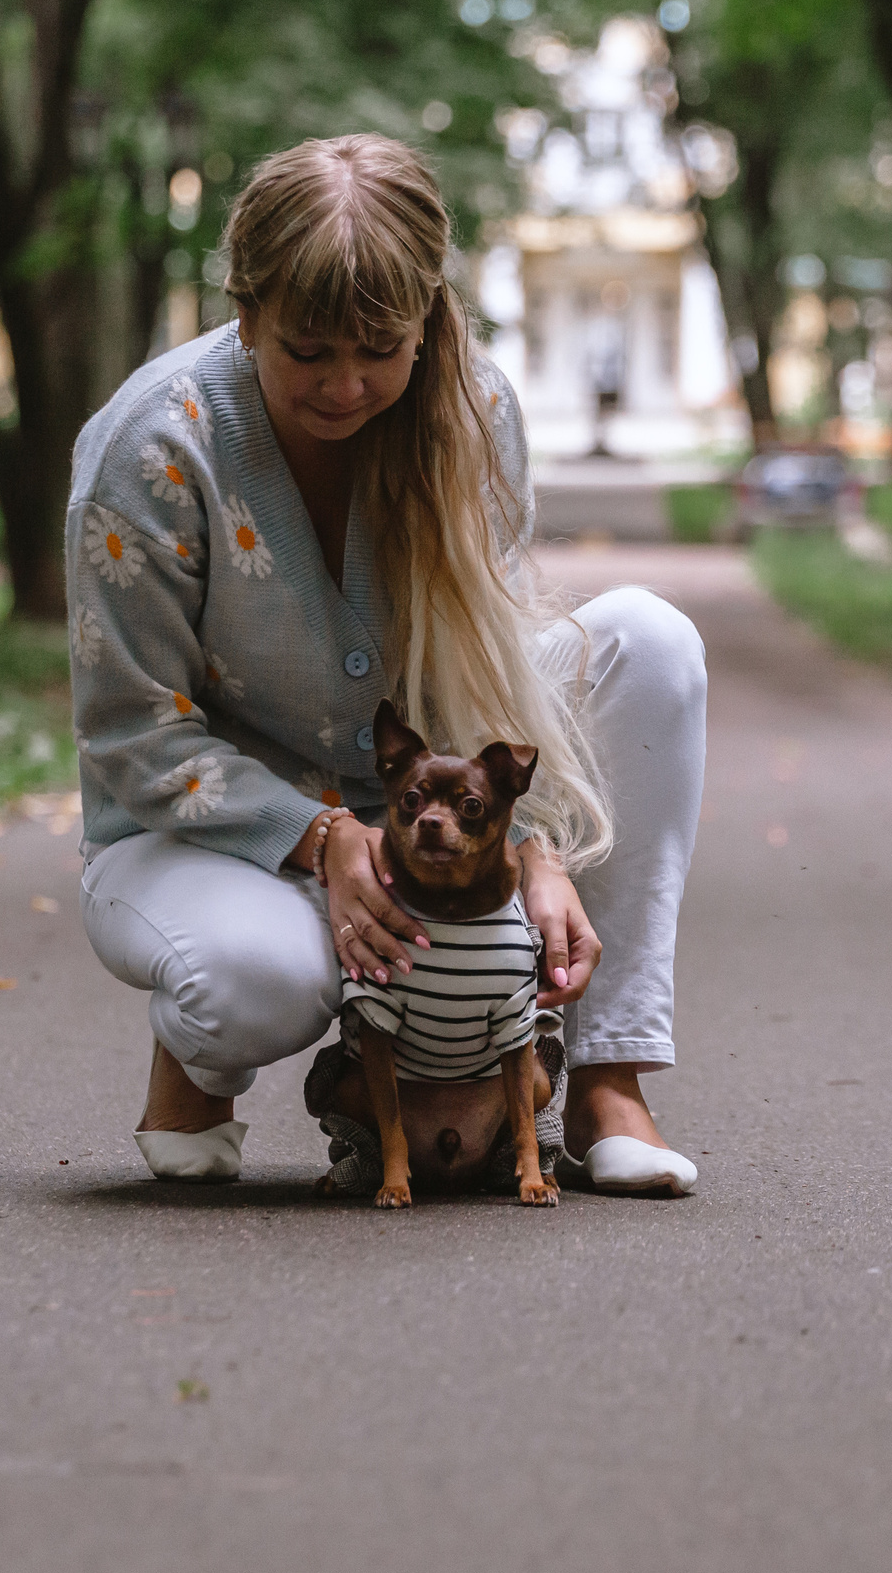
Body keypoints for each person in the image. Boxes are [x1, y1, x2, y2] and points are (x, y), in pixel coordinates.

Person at [66, 133, 706, 1196]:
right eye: (307, 350)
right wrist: (320, 840)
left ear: (427, 321)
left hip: (424, 801)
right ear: (247, 312)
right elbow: (135, 735)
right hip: (203, 833)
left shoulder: (473, 411)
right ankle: (198, 1053)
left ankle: (607, 1083)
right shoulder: (152, 449)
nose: (346, 385)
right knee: (255, 983)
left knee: (652, 642)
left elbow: (488, 670)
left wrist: (535, 849)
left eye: (381, 348)